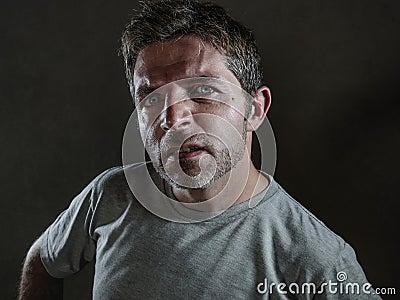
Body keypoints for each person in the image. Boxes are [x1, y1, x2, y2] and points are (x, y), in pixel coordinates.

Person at [18, 1, 380, 299]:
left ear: (255, 110)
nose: (173, 118)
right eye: (152, 96)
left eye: (203, 91)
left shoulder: (316, 259)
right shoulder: (109, 196)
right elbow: (43, 259)